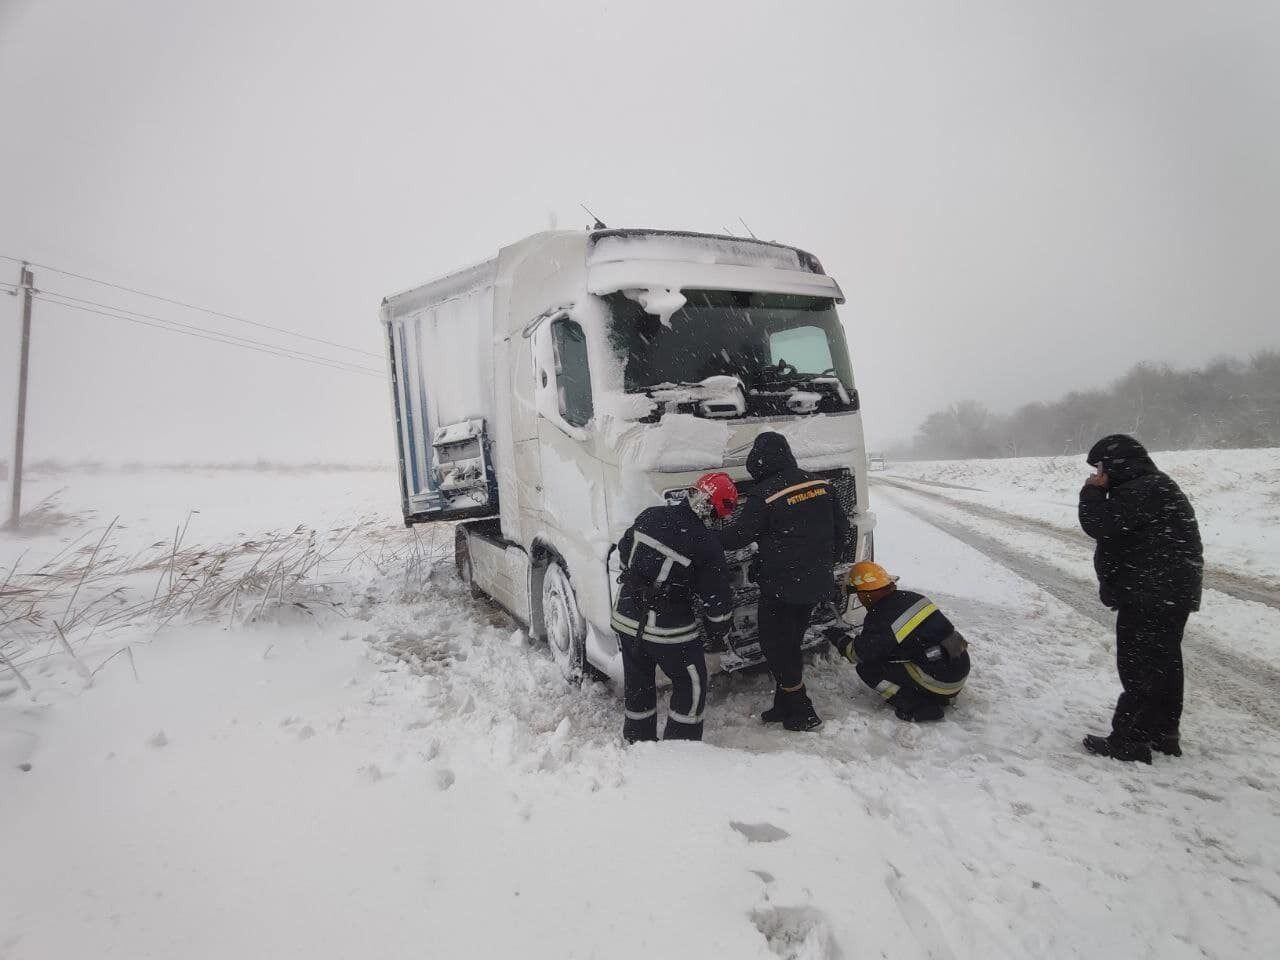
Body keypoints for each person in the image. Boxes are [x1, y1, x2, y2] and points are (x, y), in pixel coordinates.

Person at [1078, 434, 1202, 764]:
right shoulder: (1153, 486)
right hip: (1167, 590)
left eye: (1101, 466)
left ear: (1117, 463)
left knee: (1139, 665)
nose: (1098, 473)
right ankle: (1163, 732)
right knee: (1164, 663)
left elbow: (1099, 523)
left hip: (1152, 591)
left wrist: (1092, 491)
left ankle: (1130, 740)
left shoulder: (1142, 488)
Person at [719, 432, 851, 732]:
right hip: (815, 582)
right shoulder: (821, 485)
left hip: (781, 587)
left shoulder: (765, 495)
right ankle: (784, 705)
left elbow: (737, 537)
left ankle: (802, 710)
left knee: (776, 646)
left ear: (759, 460)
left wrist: (702, 534)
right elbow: (842, 530)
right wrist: (821, 563)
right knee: (790, 642)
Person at [611, 472, 738, 743]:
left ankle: (638, 740)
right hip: (667, 628)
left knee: (638, 681)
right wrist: (719, 631)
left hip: (625, 616)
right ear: (716, 511)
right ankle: (681, 749)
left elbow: (624, 552)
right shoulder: (706, 543)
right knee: (691, 682)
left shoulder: (650, 515)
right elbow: (717, 603)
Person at [824, 561, 970, 721]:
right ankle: (934, 694)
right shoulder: (913, 598)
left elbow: (857, 654)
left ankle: (919, 706)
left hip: (943, 680)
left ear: (867, 594)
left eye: (858, 595)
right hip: (959, 665)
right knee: (891, 655)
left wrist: (836, 636)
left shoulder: (881, 617)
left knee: (868, 669)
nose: (860, 599)